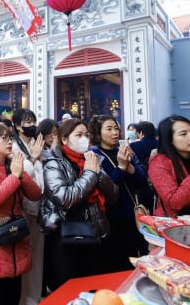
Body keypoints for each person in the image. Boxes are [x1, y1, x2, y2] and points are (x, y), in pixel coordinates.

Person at [40, 118, 119, 290]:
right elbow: (65, 199)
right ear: (65, 139)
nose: (84, 139)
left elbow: (113, 194)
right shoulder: (53, 162)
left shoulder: (91, 158)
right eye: (79, 135)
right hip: (66, 234)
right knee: (69, 286)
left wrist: (98, 173)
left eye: (86, 135)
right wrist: (90, 173)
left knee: (92, 285)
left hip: (95, 230)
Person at [0, 124, 42, 305]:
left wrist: (21, 175)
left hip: (16, 234)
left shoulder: (12, 164)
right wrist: (14, 176)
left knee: (14, 292)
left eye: (10, 138)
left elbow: (35, 195)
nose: (9, 142)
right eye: (3, 138)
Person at [89, 114, 151, 273]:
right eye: (109, 129)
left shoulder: (125, 150)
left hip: (131, 212)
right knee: (114, 261)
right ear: (98, 132)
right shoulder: (94, 155)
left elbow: (142, 181)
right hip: (109, 216)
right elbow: (108, 188)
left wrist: (130, 167)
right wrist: (121, 167)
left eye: (116, 128)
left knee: (133, 257)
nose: (114, 132)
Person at [10, 109, 45, 305]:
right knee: (24, 253)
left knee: (37, 253)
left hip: (40, 204)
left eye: (33, 120)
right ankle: (23, 299)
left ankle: (34, 296)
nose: (31, 124)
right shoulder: (14, 146)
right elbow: (23, 173)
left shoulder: (34, 143)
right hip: (23, 205)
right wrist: (33, 158)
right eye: (27, 121)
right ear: (17, 125)